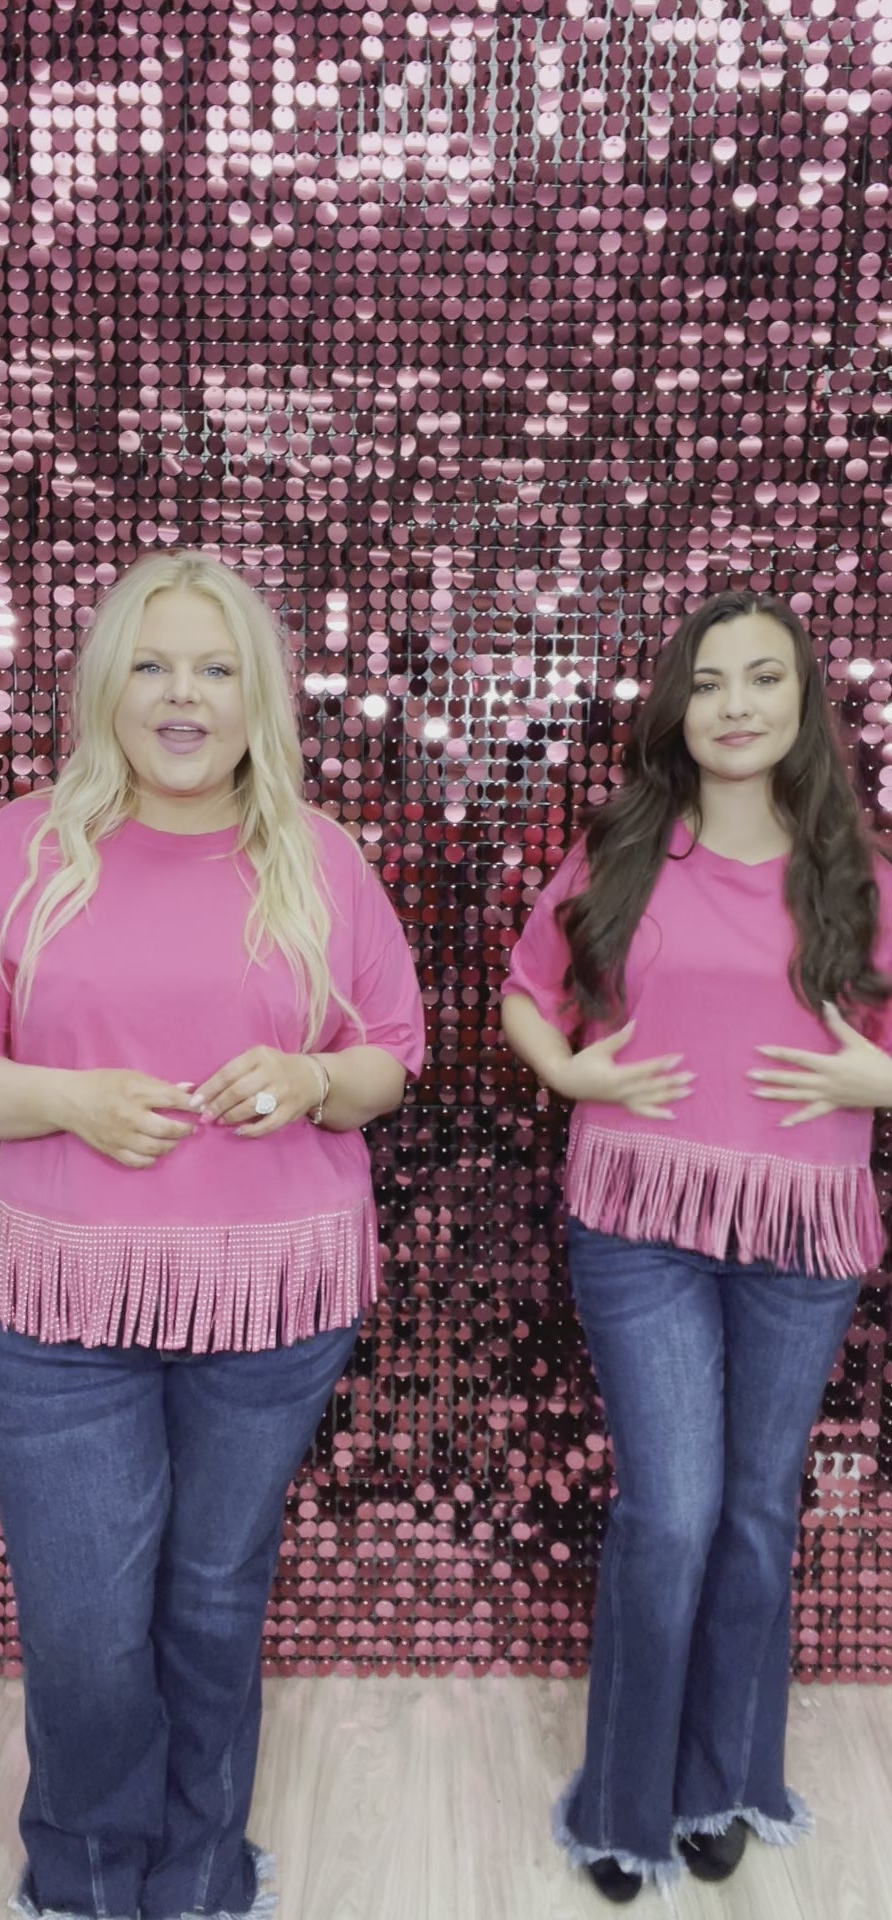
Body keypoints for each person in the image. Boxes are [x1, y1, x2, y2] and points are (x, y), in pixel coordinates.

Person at [0, 549, 424, 1920]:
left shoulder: (319, 856)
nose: (181, 695)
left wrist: (312, 1079)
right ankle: (80, 1870)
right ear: (103, 686)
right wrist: (64, 1100)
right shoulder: (21, 848)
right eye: (151, 663)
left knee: (209, 1601)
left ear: (259, 698)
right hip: (67, 1301)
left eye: (214, 667)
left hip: (274, 1296)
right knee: (83, 1623)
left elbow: (389, 1062)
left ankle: (197, 1866)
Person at [501, 589, 892, 1903]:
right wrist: (570, 1070)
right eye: (711, 681)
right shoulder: (626, 847)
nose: (736, 705)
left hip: (803, 1225)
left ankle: (723, 1781)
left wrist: (875, 1082)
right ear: (681, 706)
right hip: (639, 1223)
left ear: (801, 704)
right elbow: (526, 989)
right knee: (670, 1514)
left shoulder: (858, 875)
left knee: (755, 1515)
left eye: (762, 679)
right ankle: (624, 1804)